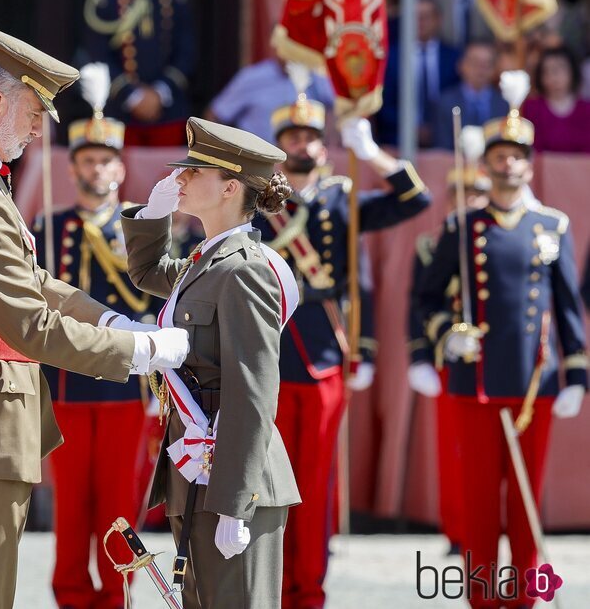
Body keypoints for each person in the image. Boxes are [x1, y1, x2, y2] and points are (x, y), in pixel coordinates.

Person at [0, 26, 189, 608]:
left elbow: (35, 283)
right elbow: (29, 324)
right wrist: (144, 354)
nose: (37, 128)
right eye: (32, 111)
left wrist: (114, 323)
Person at [258, 98, 431, 609]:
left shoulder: (342, 197)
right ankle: (265, 585)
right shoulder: (257, 199)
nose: (302, 145)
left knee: (314, 483)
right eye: (292, 137)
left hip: (323, 354)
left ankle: (308, 590)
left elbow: (414, 202)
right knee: (262, 481)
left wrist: (374, 154)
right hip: (264, 352)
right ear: (279, 145)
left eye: (311, 137)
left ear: (324, 144)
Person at [121, 117, 301, 608]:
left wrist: (234, 504)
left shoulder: (244, 270)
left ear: (229, 187)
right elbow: (148, 271)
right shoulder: (209, 260)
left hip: (233, 484)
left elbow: (253, 391)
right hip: (196, 471)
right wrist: (152, 215)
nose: (179, 178)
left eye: (192, 172)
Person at [418, 109, 587, 609]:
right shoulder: (463, 226)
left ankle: (527, 597)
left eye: (516, 156)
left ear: (529, 167)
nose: (508, 164)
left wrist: (576, 369)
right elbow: (425, 299)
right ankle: (483, 598)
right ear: (484, 167)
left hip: (535, 383)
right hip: (477, 380)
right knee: (478, 504)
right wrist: (449, 336)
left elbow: (568, 304)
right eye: (498, 156)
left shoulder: (552, 226)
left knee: (526, 499)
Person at [31, 69, 152, 609]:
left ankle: (117, 596)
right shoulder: (48, 227)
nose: (97, 168)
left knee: (120, 505)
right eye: (87, 160)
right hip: (67, 384)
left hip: (127, 383)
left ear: (120, 168)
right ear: (72, 165)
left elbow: (154, 305)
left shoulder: (142, 230)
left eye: (106, 160)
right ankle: (71, 597)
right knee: (71, 506)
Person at [407, 162, 491, 557]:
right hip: (449, 354)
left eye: (475, 194)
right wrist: (419, 355)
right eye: (460, 194)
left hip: (493, 357)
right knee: (453, 448)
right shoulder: (430, 245)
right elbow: (419, 304)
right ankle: (457, 529)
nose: (468, 201)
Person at [83, 0, 195, 146]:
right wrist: (133, 96)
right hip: (120, 112)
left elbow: (187, 52)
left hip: (168, 110)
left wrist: (160, 92)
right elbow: (98, 56)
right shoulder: (104, 1)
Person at [379, 0, 461, 146]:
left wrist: (435, 127)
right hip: (398, 137)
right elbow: (384, 101)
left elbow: (458, 97)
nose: (420, 22)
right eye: (415, 17)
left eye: (426, 17)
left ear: (438, 19)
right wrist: (411, 128)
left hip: (445, 137)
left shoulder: (453, 56)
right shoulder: (391, 56)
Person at [207, 59, 336, 143]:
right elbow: (216, 115)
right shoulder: (252, 77)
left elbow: (343, 109)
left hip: (302, 163)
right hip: (256, 166)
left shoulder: (318, 76)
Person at [432, 42, 509, 149]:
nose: (481, 69)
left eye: (487, 64)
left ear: (494, 69)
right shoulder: (445, 102)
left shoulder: (504, 103)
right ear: (460, 66)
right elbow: (442, 147)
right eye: (475, 63)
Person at [521, 46, 590, 153]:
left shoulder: (586, 110)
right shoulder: (531, 108)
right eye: (547, 71)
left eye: (559, 70)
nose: (554, 78)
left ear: (572, 71)